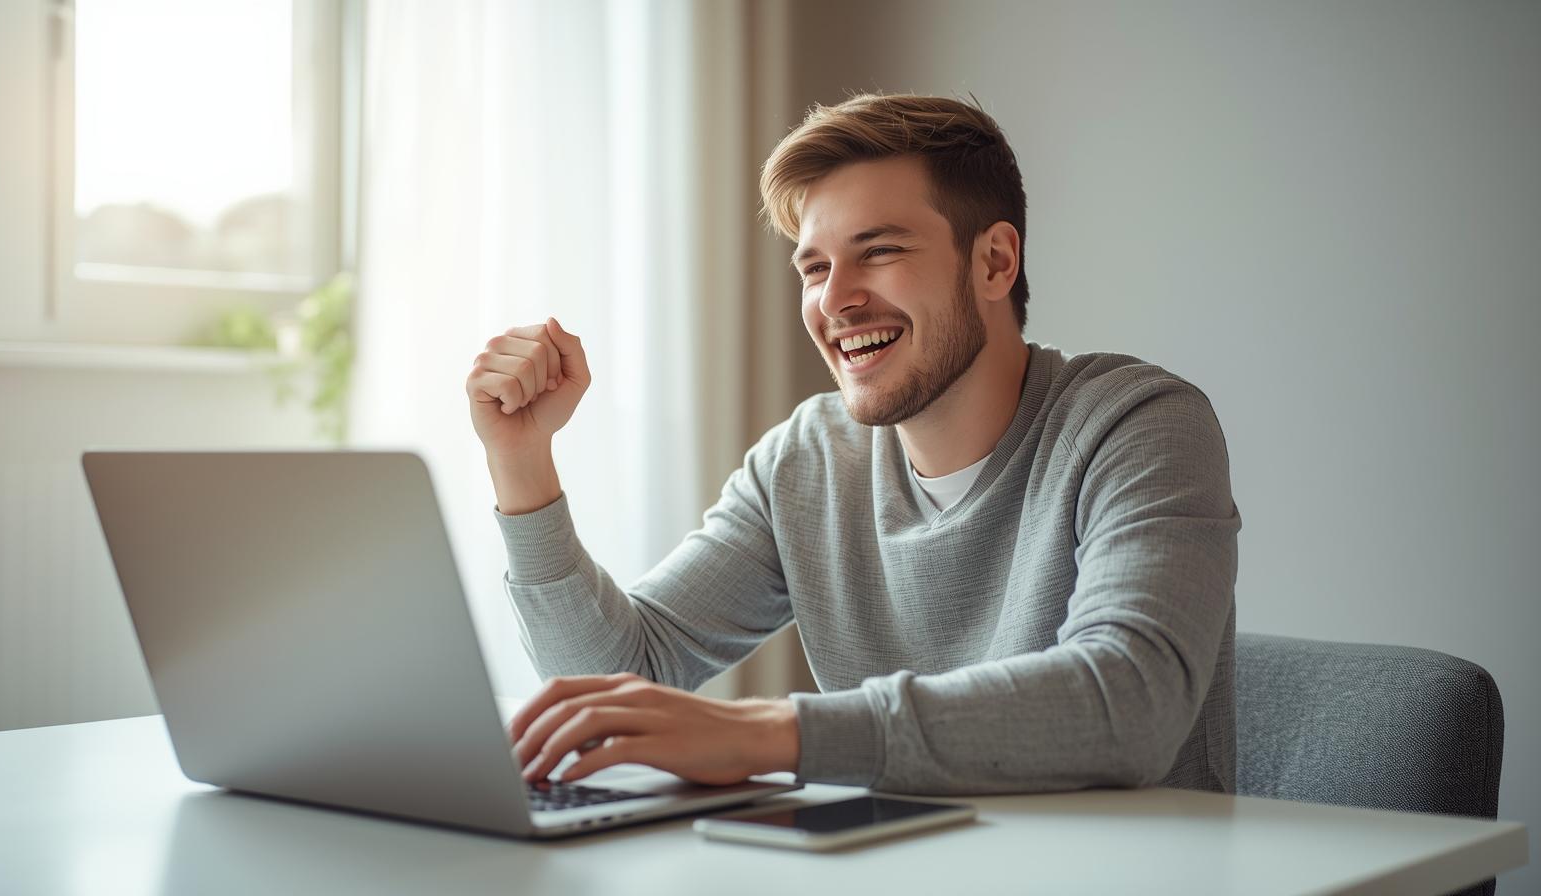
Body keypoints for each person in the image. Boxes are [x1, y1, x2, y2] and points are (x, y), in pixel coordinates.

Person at [464, 94, 1240, 795]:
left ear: (995, 261)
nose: (834, 300)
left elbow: (1131, 701)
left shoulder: (1135, 425)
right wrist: (521, 459)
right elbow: (615, 683)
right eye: (814, 267)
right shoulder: (807, 461)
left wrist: (771, 735)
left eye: (880, 250)